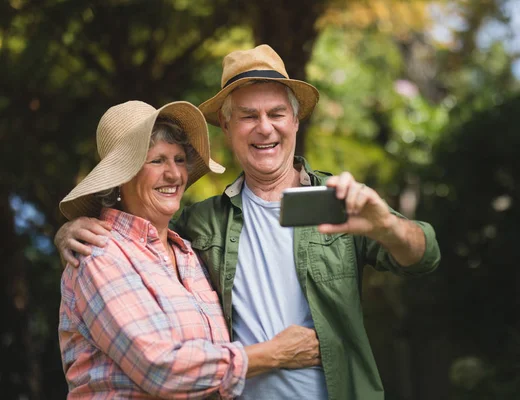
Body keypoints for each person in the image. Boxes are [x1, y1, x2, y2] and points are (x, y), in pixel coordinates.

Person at [55, 45, 441, 399]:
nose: (265, 127)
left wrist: (387, 228)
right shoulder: (199, 226)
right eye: (248, 116)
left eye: (276, 114)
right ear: (226, 127)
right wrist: (73, 230)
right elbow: (132, 237)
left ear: (295, 121)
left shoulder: (339, 201)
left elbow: (425, 255)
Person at [57, 99, 321, 399]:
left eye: (179, 160)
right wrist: (275, 353)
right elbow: (160, 368)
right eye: (156, 161)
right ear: (121, 178)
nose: (174, 174)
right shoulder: (100, 254)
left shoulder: (187, 252)